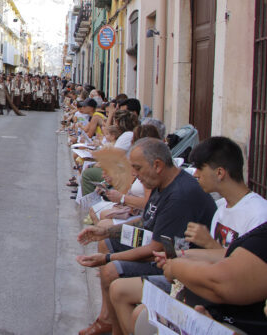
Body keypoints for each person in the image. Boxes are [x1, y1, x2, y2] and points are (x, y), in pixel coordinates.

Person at [110, 136, 267, 334]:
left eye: (200, 168)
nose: (196, 174)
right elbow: (217, 255)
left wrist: (183, 262)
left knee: (141, 314)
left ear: (219, 172)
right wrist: (178, 257)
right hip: (202, 292)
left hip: (228, 308)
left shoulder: (258, 214)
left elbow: (235, 273)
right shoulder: (220, 209)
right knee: (129, 300)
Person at [75, 137, 217, 335]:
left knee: (110, 270)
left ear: (157, 165)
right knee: (107, 243)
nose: (134, 174)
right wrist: (106, 232)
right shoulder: (163, 184)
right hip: (165, 255)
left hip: (177, 269)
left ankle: (116, 327)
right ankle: (107, 319)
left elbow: (155, 250)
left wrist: (107, 259)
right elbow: (147, 222)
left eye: (137, 168)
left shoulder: (179, 196)